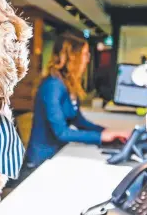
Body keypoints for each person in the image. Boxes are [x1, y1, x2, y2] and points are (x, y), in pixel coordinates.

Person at [24, 34, 130, 169]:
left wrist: (108, 132)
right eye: (85, 54)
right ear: (72, 57)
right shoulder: (53, 85)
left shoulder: (68, 84)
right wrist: (101, 136)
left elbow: (79, 121)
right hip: (39, 163)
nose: (88, 59)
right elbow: (61, 132)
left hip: (57, 155)